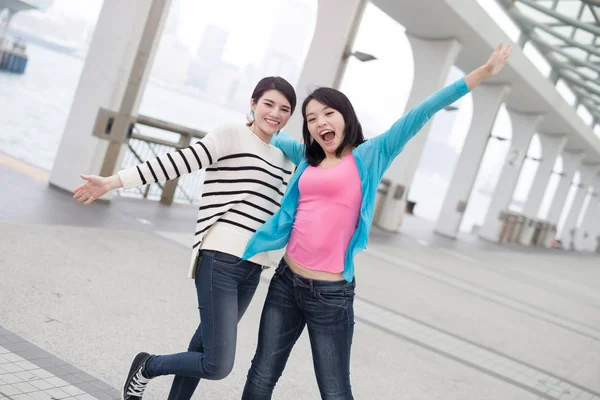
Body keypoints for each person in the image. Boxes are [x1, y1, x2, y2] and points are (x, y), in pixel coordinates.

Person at [240, 43, 512, 399]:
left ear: (345, 115)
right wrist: (255, 121)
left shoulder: (371, 155)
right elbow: (275, 133)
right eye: (311, 118)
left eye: (328, 113)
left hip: (330, 295)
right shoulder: (308, 159)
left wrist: (483, 73)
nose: (321, 122)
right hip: (285, 283)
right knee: (261, 376)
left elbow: (423, 111)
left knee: (335, 392)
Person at [72, 76, 297, 400]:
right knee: (218, 364)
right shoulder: (230, 134)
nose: (275, 113)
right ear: (253, 103)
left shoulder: (284, 158)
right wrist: (112, 182)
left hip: (253, 268)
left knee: (205, 346)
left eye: (284, 109)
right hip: (220, 259)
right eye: (268, 104)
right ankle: (147, 366)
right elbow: (176, 162)